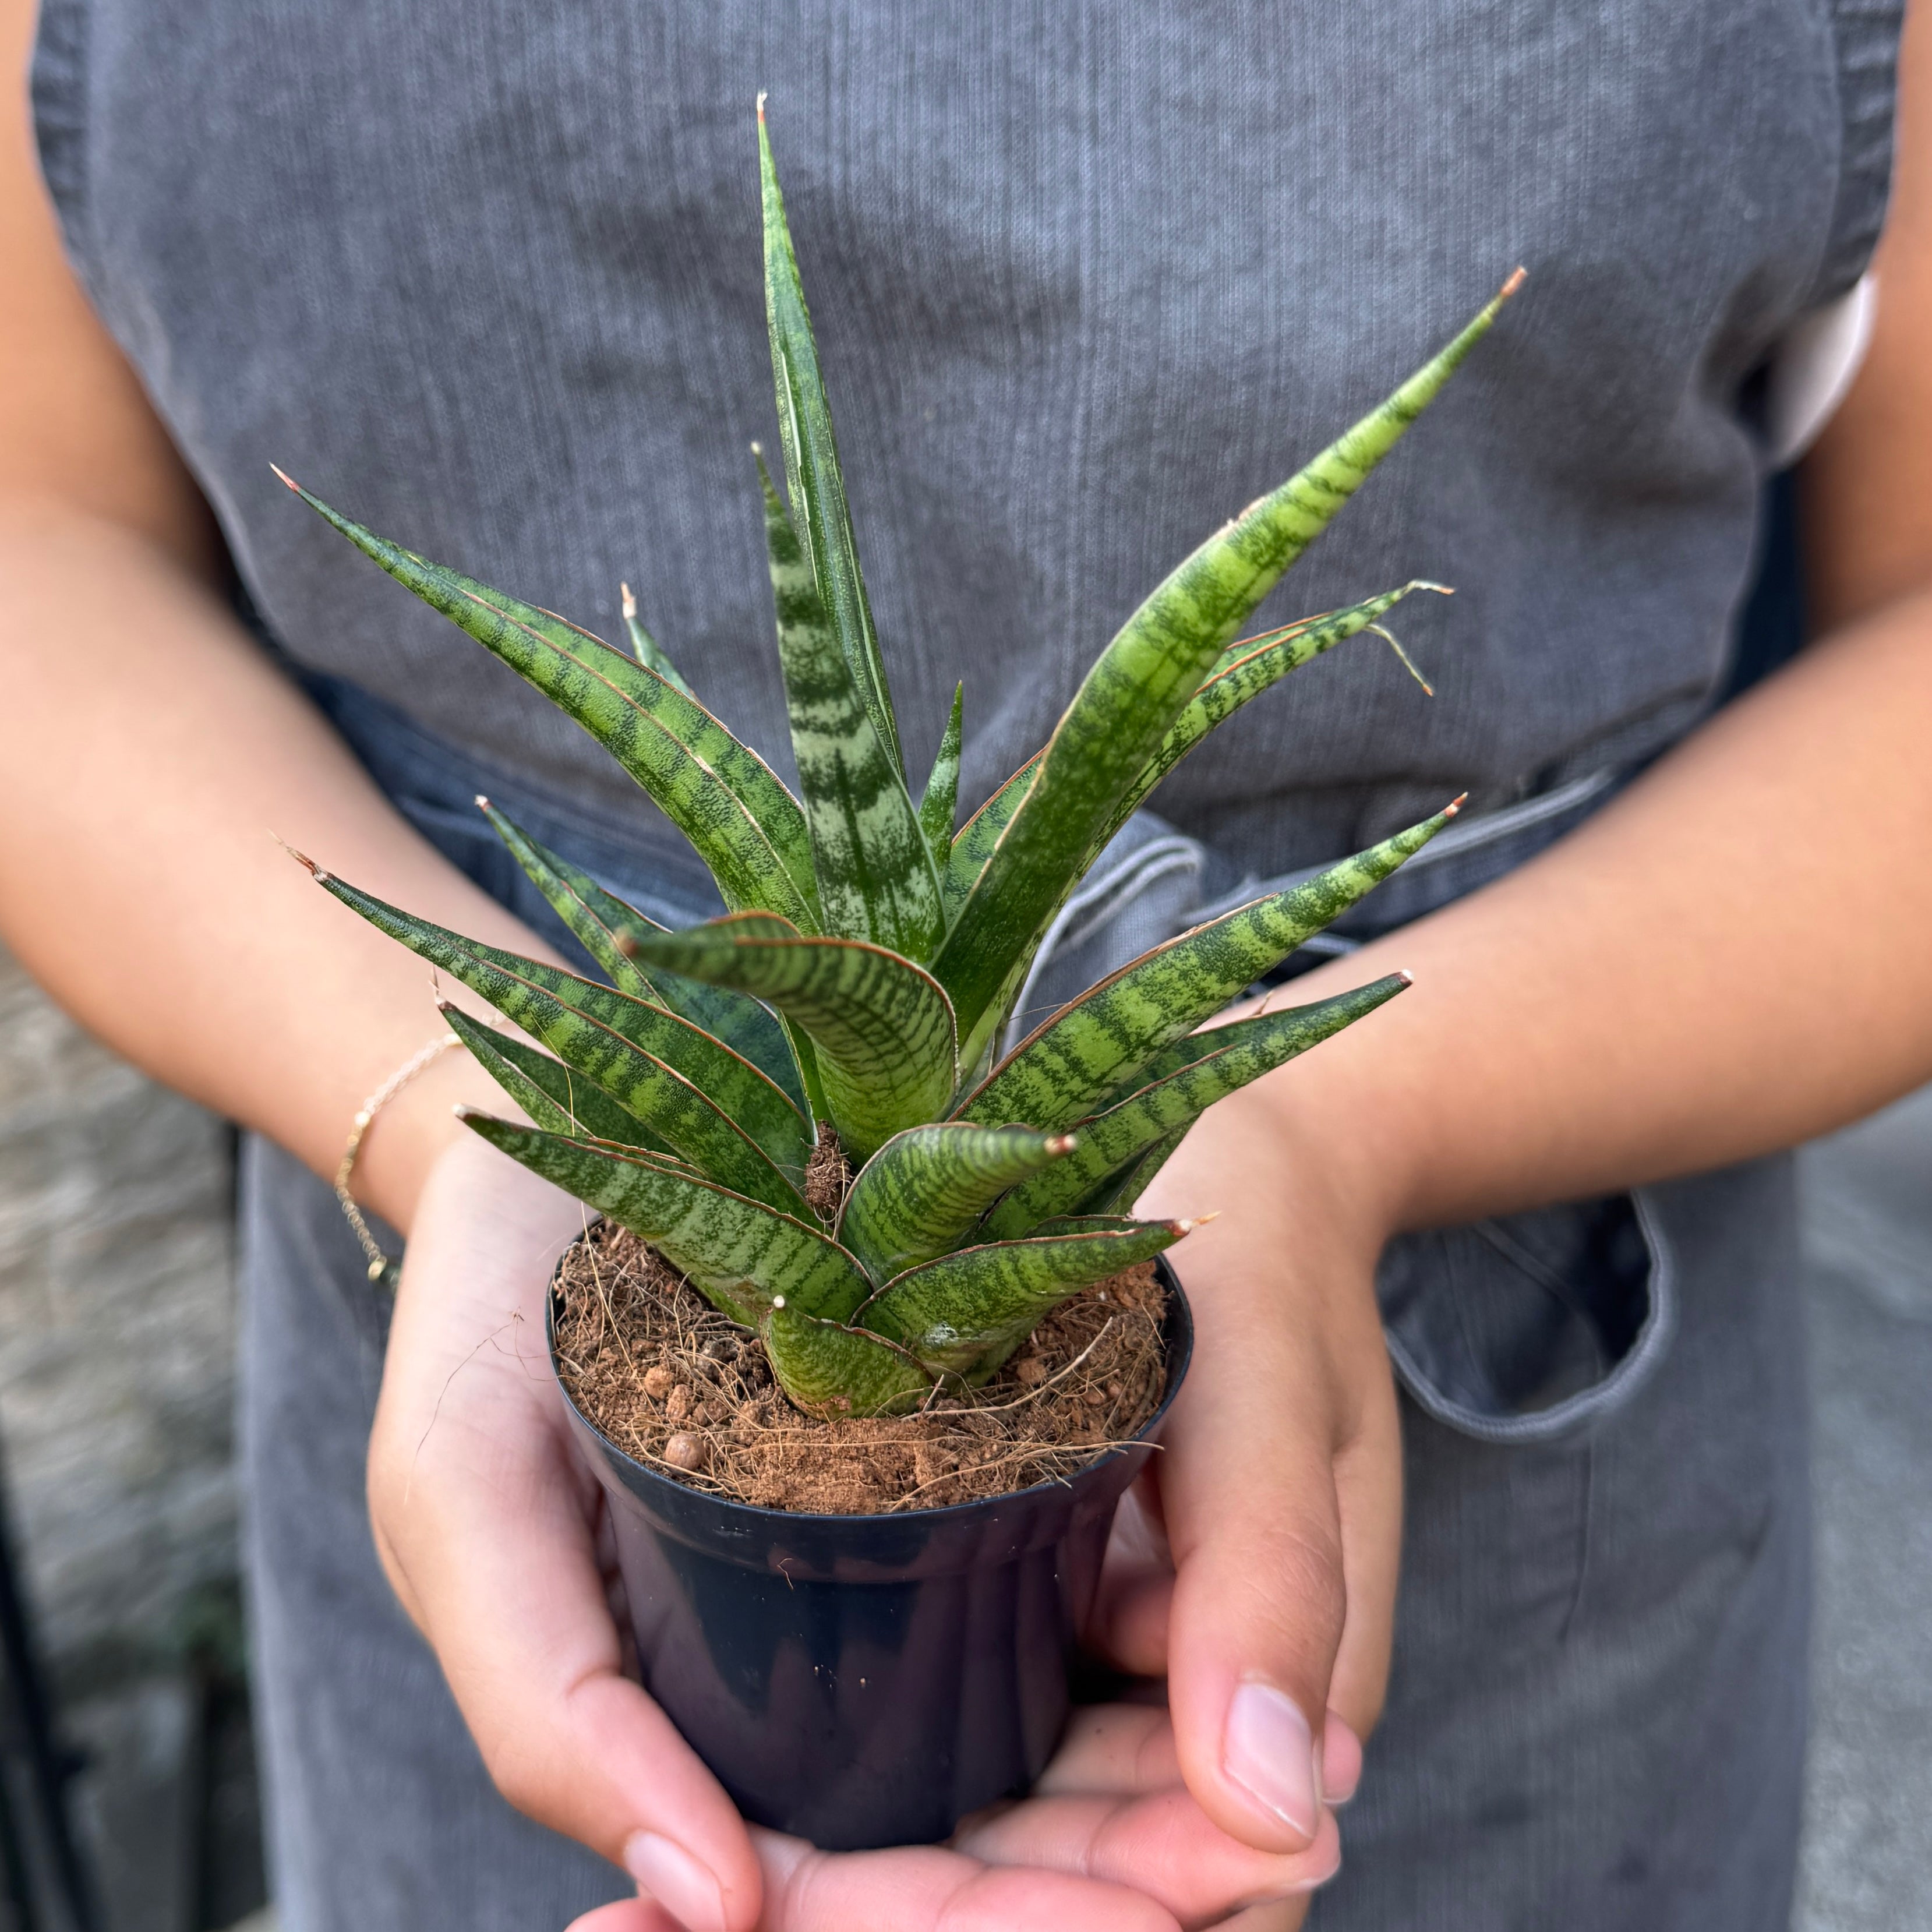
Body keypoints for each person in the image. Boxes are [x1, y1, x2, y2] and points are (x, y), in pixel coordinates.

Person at [2, 0, 1926, 1924]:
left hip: (1500, 1467)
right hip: (512, 1452)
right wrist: (454, 1114)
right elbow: (39, 525)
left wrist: (1336, 1121)